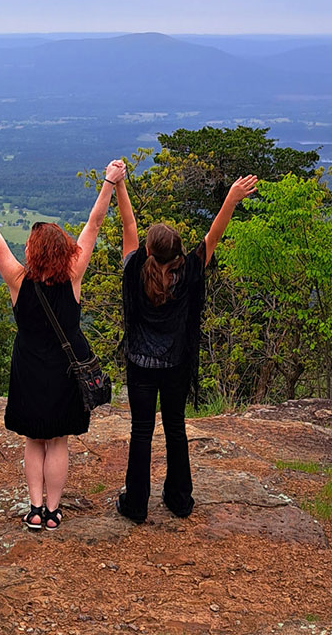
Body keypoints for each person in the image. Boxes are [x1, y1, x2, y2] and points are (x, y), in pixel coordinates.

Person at [0, 161, 124, 530]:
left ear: (34, 251)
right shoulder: (73, 276)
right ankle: (53, 512)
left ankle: (34, 509)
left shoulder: (18, 281)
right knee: (58, 441)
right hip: (66, 373)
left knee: (34, 440)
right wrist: (108, 183)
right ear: (63, 250)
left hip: (29, 370)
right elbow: (94, 224)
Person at [115, 172, 258, 523]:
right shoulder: (190, 270)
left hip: (140, 364)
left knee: (141, 431)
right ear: (178, 252)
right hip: (176, 364)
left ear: (147, 250)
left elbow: (129, 223)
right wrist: (232, 197)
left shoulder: (134, 269)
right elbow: (213, 236)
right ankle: (179, 499)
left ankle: (136, 504)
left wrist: (118, 184)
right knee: (175, 427)